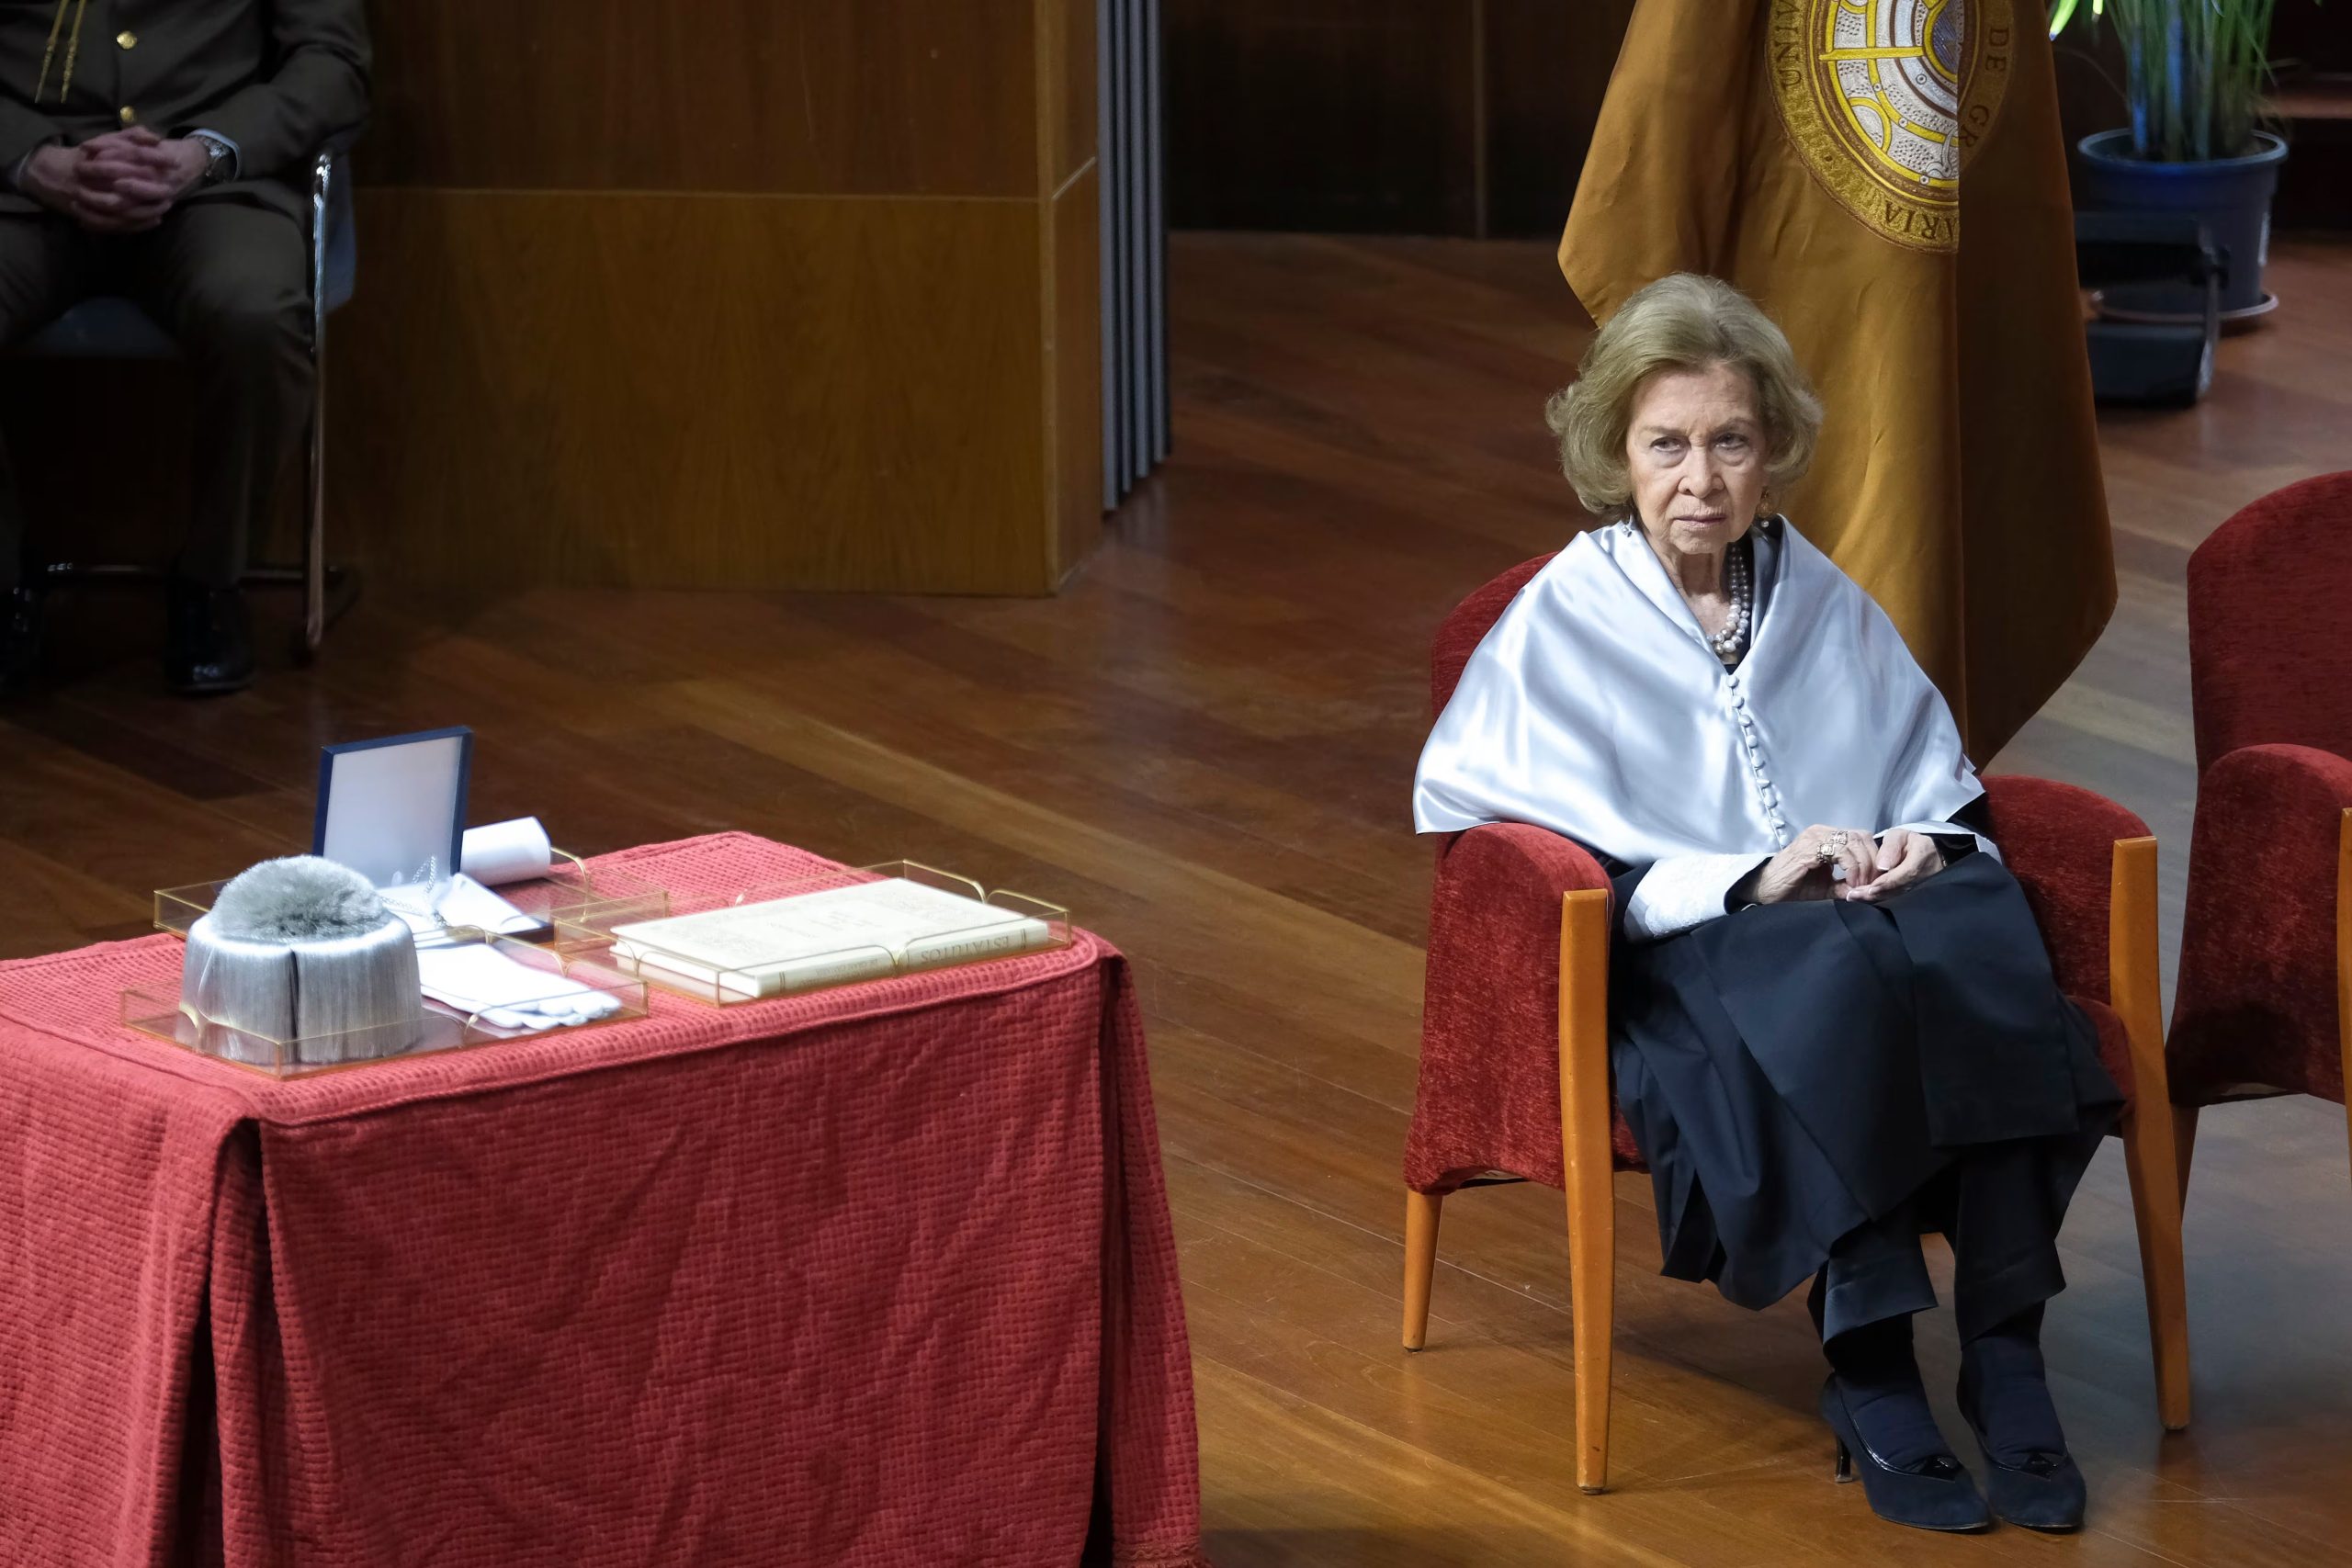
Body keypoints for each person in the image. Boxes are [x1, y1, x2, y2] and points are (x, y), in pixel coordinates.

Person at [1412, 274, 2119, 1534]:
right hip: (1694, 954)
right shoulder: (1564, 619)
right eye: (1666, 443)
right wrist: (1745, 874)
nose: (1701, 478)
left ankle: (2007, 1343)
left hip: (1862, 913)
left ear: (1771, 448)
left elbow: (1935, 773)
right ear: (1614, 451)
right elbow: (1506, 836)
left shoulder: (1816, 593)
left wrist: (1917, 839)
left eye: (1730, 440)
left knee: (1977, 936)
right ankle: (1874, 1357)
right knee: (1832, 973)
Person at [0, 0, 369, 695]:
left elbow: (334, 63)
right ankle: (3, 581)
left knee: (257, 314)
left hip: (214, 186)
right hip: (23, 190)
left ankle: (210, 577)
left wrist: (206, 151)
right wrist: (31, 160)